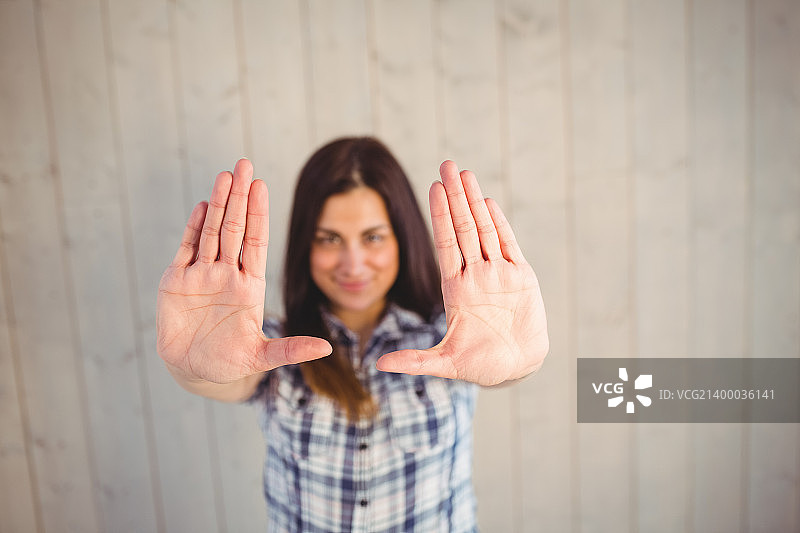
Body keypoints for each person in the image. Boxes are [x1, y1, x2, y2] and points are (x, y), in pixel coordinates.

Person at [156, 137, 549, 532]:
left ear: (402, 239)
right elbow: (223, 378)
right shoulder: (271, 348)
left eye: (373, 237)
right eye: (329, 239)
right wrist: (190, 368)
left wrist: (522, 366)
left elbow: (501, 367)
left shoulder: (451, 334)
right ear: (304, 245)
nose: (353, 264)